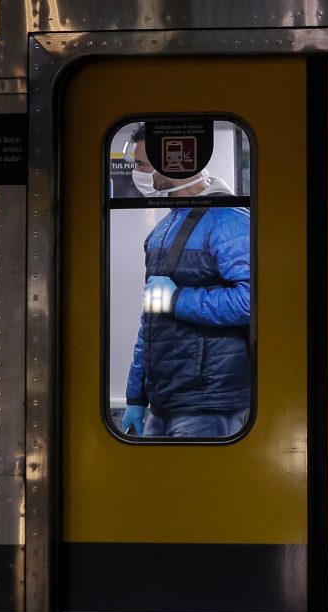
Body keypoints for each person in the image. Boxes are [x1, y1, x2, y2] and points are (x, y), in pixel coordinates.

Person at [120, 126, 250, 437]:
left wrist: (178, 299)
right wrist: (136, 395)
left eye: (141, 165)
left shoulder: (229, 220)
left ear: (171, 166)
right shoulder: (164, 229)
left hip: (209, 398)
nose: (137, 174)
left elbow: (252, 300)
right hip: (165, 399)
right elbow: (151, 319)